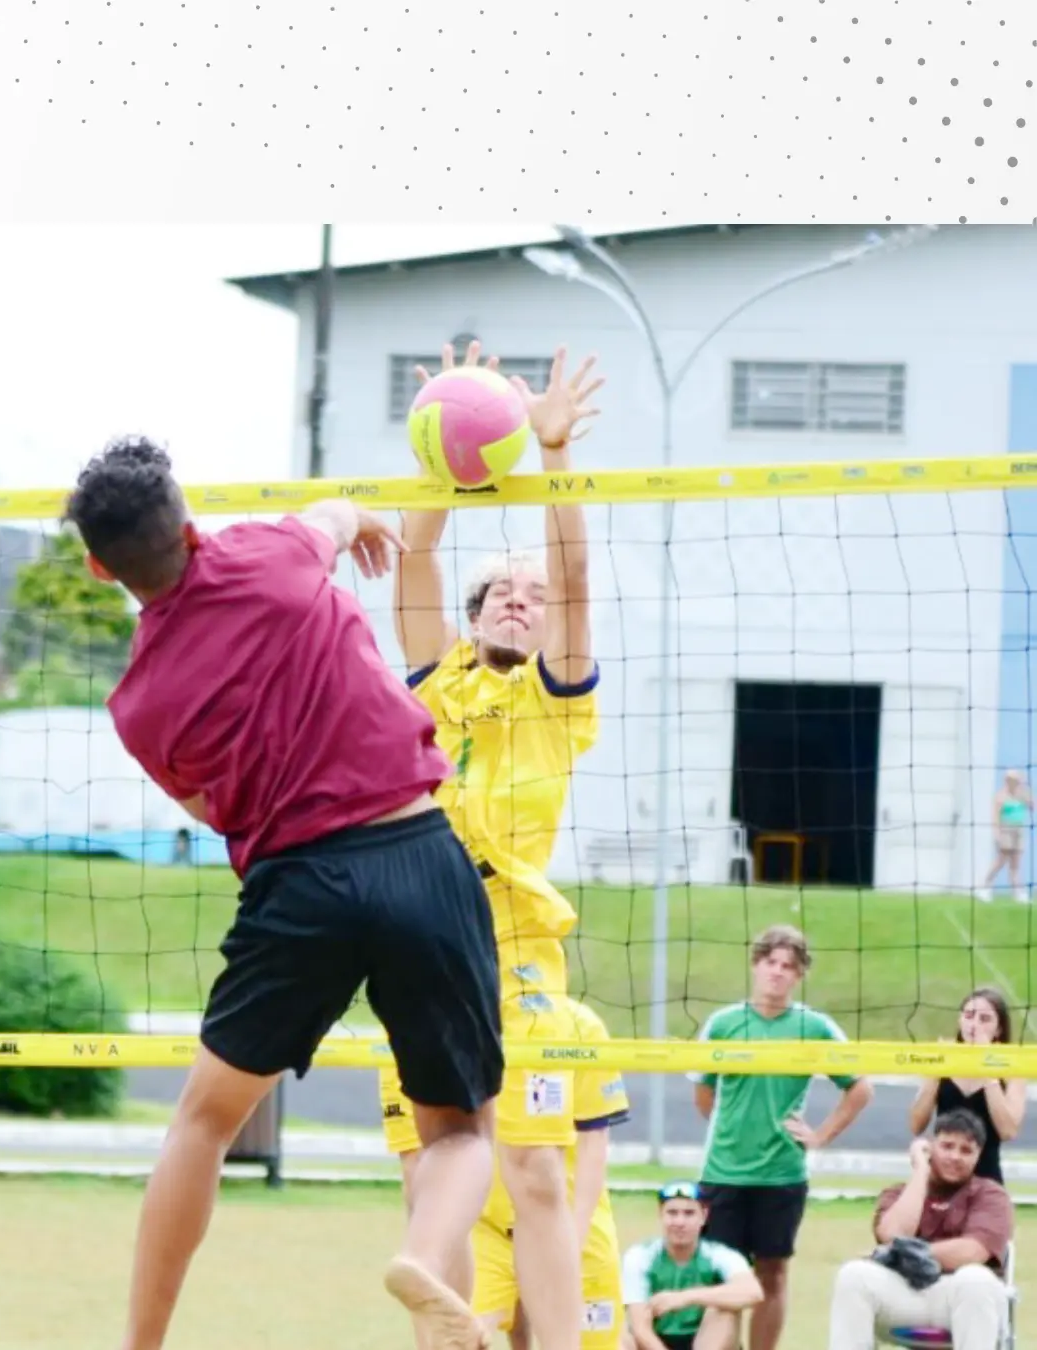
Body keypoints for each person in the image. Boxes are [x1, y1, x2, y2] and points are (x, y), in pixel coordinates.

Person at [64, 437, 504, 1350]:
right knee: (460, 1131)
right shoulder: (271, 550)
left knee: (203, 1121)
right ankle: (423, 1253)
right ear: (190, 529)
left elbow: (208, 804)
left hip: (296, 887)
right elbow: (337, 516)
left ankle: (140, 1344)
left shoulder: (137, 707)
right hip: (415, 851)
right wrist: (372, 520)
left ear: (99, 565)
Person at [379, 339, 604, 1350]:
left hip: (518, 945)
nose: (521, 595)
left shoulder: (557, 702)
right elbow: (417, 555)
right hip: (420, 936)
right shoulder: (437, 684)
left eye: (531, 595)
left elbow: (572, 567)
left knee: (536, 1168)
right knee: (432, 1174)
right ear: (469, 620)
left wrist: (548, 450)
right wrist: (446, 436)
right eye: (499, 591)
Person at [690, 924, 874, 1350]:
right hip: (724, 1172)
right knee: (724, 1280)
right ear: (756, 965)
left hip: (782, 1174)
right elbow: (703, 1093)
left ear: (799, 975)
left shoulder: (815, 1026)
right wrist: (733, 1128)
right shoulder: (723, 1023)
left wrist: (819, 1136)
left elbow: (861, 1088)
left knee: (772, 1273)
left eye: (788, 966)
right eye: (771, 962)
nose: (778, 972)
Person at [471, 999, 632, 1350]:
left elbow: (595, 1139)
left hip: (569, 1224)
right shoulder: (471, 1013)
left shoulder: (580, 1024)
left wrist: (573, 1234)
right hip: (492, 1229)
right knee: (460, 1338)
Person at [827, 1109, 1014, 1350]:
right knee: (853, 1275)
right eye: (947, 1146)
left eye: (966, 1150)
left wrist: (902, 1253)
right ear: (931, 1147)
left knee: (976, 1278)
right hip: (906, 1294)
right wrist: (921, 1172)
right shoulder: (897, 1194)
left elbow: (971, 1253)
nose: (956, 1156)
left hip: (959, 1298)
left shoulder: (990, 1195)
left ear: (978, 1157)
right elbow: (891, 1235)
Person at [620, 1181, 763, 1350]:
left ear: (703, 1216)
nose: (680, 1222)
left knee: (724, 1311)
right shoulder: (640, 1256)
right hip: (656, 1341)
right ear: (661, 1215)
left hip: (707, 1339)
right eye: (672, 1213)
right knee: (618, 1338)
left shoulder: (720, 1255)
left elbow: (753, 1293)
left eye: (689, 1213)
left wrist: (684, 1298)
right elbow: (640, 1327)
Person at [909, 985, 1026, 1185]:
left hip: (986, 1179)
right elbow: (915, 1125)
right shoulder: (942, 1058)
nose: (974, 1024)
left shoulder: (1013, 1070)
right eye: (969, 1015)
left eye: (985, 1019)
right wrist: (936, 1071)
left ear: (999, 1029)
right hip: (940, 1177)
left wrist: (987, 1066)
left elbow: (1008, 1131)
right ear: (960, 1019)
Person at [979, 768, 1033, 902]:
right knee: (1000, 861)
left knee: (1016, 863)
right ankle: (985, 887)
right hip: (1006, 830)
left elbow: (1033, 806)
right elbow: (995, 816)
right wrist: (997, 833)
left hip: (1019, 830)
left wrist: (1025, 791)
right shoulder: (1001, 796)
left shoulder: (1021, 795)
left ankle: (1018, 892)